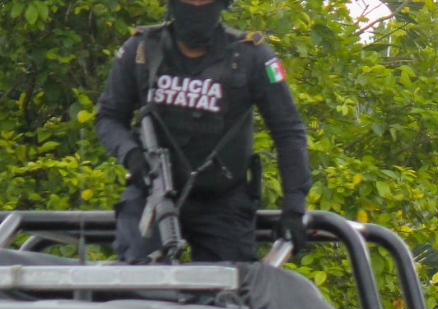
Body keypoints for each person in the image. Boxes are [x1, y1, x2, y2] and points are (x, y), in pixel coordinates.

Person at [95, 0, 311, 263]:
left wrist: (294, 208)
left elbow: (288, 131)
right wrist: (132, 156)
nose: (196, 6)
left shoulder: (250, 56)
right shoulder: (140, 50)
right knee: (139, 283)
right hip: (150, 193)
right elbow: (108, 117)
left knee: (230, 293)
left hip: (222, 203)